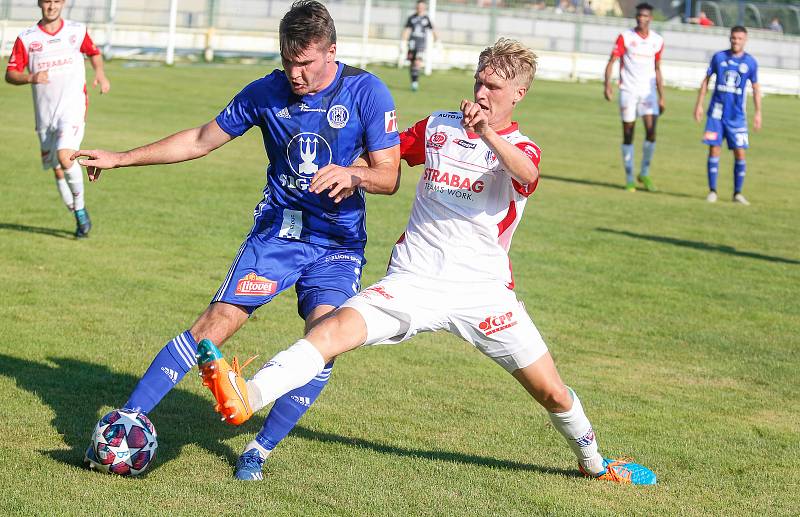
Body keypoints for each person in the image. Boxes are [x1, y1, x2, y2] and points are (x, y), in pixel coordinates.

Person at [199, 38, 658, 486]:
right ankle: (249, 395)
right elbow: (386, 158)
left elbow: (527, 175)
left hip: (483, 292)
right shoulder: (439, 126)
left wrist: (488, 134)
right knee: (331, 331)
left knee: (552, 392)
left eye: (494, 88)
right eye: (479, 82)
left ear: (519, 94)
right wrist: (351, 172)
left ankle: (596, 463)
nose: (481, 93)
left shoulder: (521, 145)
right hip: (413, 280)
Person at [75, 0, 401, 480]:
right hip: (278, 235)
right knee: (214, 323)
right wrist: (122, 158)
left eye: (306, 63)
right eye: (289, 61)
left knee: (324, 342)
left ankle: (260, 449)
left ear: (332, 51)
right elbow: (201, 139)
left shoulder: (367, 91)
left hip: (337, 245)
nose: (295, 73)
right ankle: (130, 421)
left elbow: (388, 176)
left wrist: (353, 175)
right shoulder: (265, 92)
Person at [5, 0, 110, 238]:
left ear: (62, 3)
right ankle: (77, 215)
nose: (51, 6)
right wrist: (31, 77)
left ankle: (81, 209)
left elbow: (94, 52)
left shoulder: (76, 30)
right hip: (45, 116)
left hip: (73, 107)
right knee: (58, 170)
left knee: (65, 156)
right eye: (47, 2)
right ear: (40, 4)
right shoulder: (27, 38)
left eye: (56, 1)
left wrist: (101, 75)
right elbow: (10, 74)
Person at [693, 26, 761, 205]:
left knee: (740, 152)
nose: (736, 41)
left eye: (739, 39)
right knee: (714, 148)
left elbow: (755, 88)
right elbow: (706, 81)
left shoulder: (750, 63)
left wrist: (758, 113)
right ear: (730, 39)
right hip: (716, 113)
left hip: (737, 116)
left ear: (745, 40)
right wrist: (699, 105)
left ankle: (737, 193)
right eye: (733, 38)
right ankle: (713, 191)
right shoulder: (719, 57)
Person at [604, 2, 664, 192]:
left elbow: (657, 68)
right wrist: (607, 85)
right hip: (628, 91)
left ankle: (644, 172)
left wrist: (662, 96)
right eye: (639, 15)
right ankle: (629, 178)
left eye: (645, 16)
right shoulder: (625, 37)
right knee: (628, 135)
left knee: (651, 132)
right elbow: (612, 61)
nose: (641, 18)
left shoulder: (657, 40)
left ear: (650, 18)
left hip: (649, 93)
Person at [401, 0, 437, 92]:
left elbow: (433, 30)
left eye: (422, 7)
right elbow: (407, 30)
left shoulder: (426, 18)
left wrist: (437, 41)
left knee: (417, 62)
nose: (420, 8)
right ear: (416, 7)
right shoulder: (411, 18)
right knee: (412, 63)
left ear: (424, 8)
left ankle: (415, 83)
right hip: (412, 44)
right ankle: (413, 81)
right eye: (418, 7)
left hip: (421, 44)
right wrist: (403, 42)